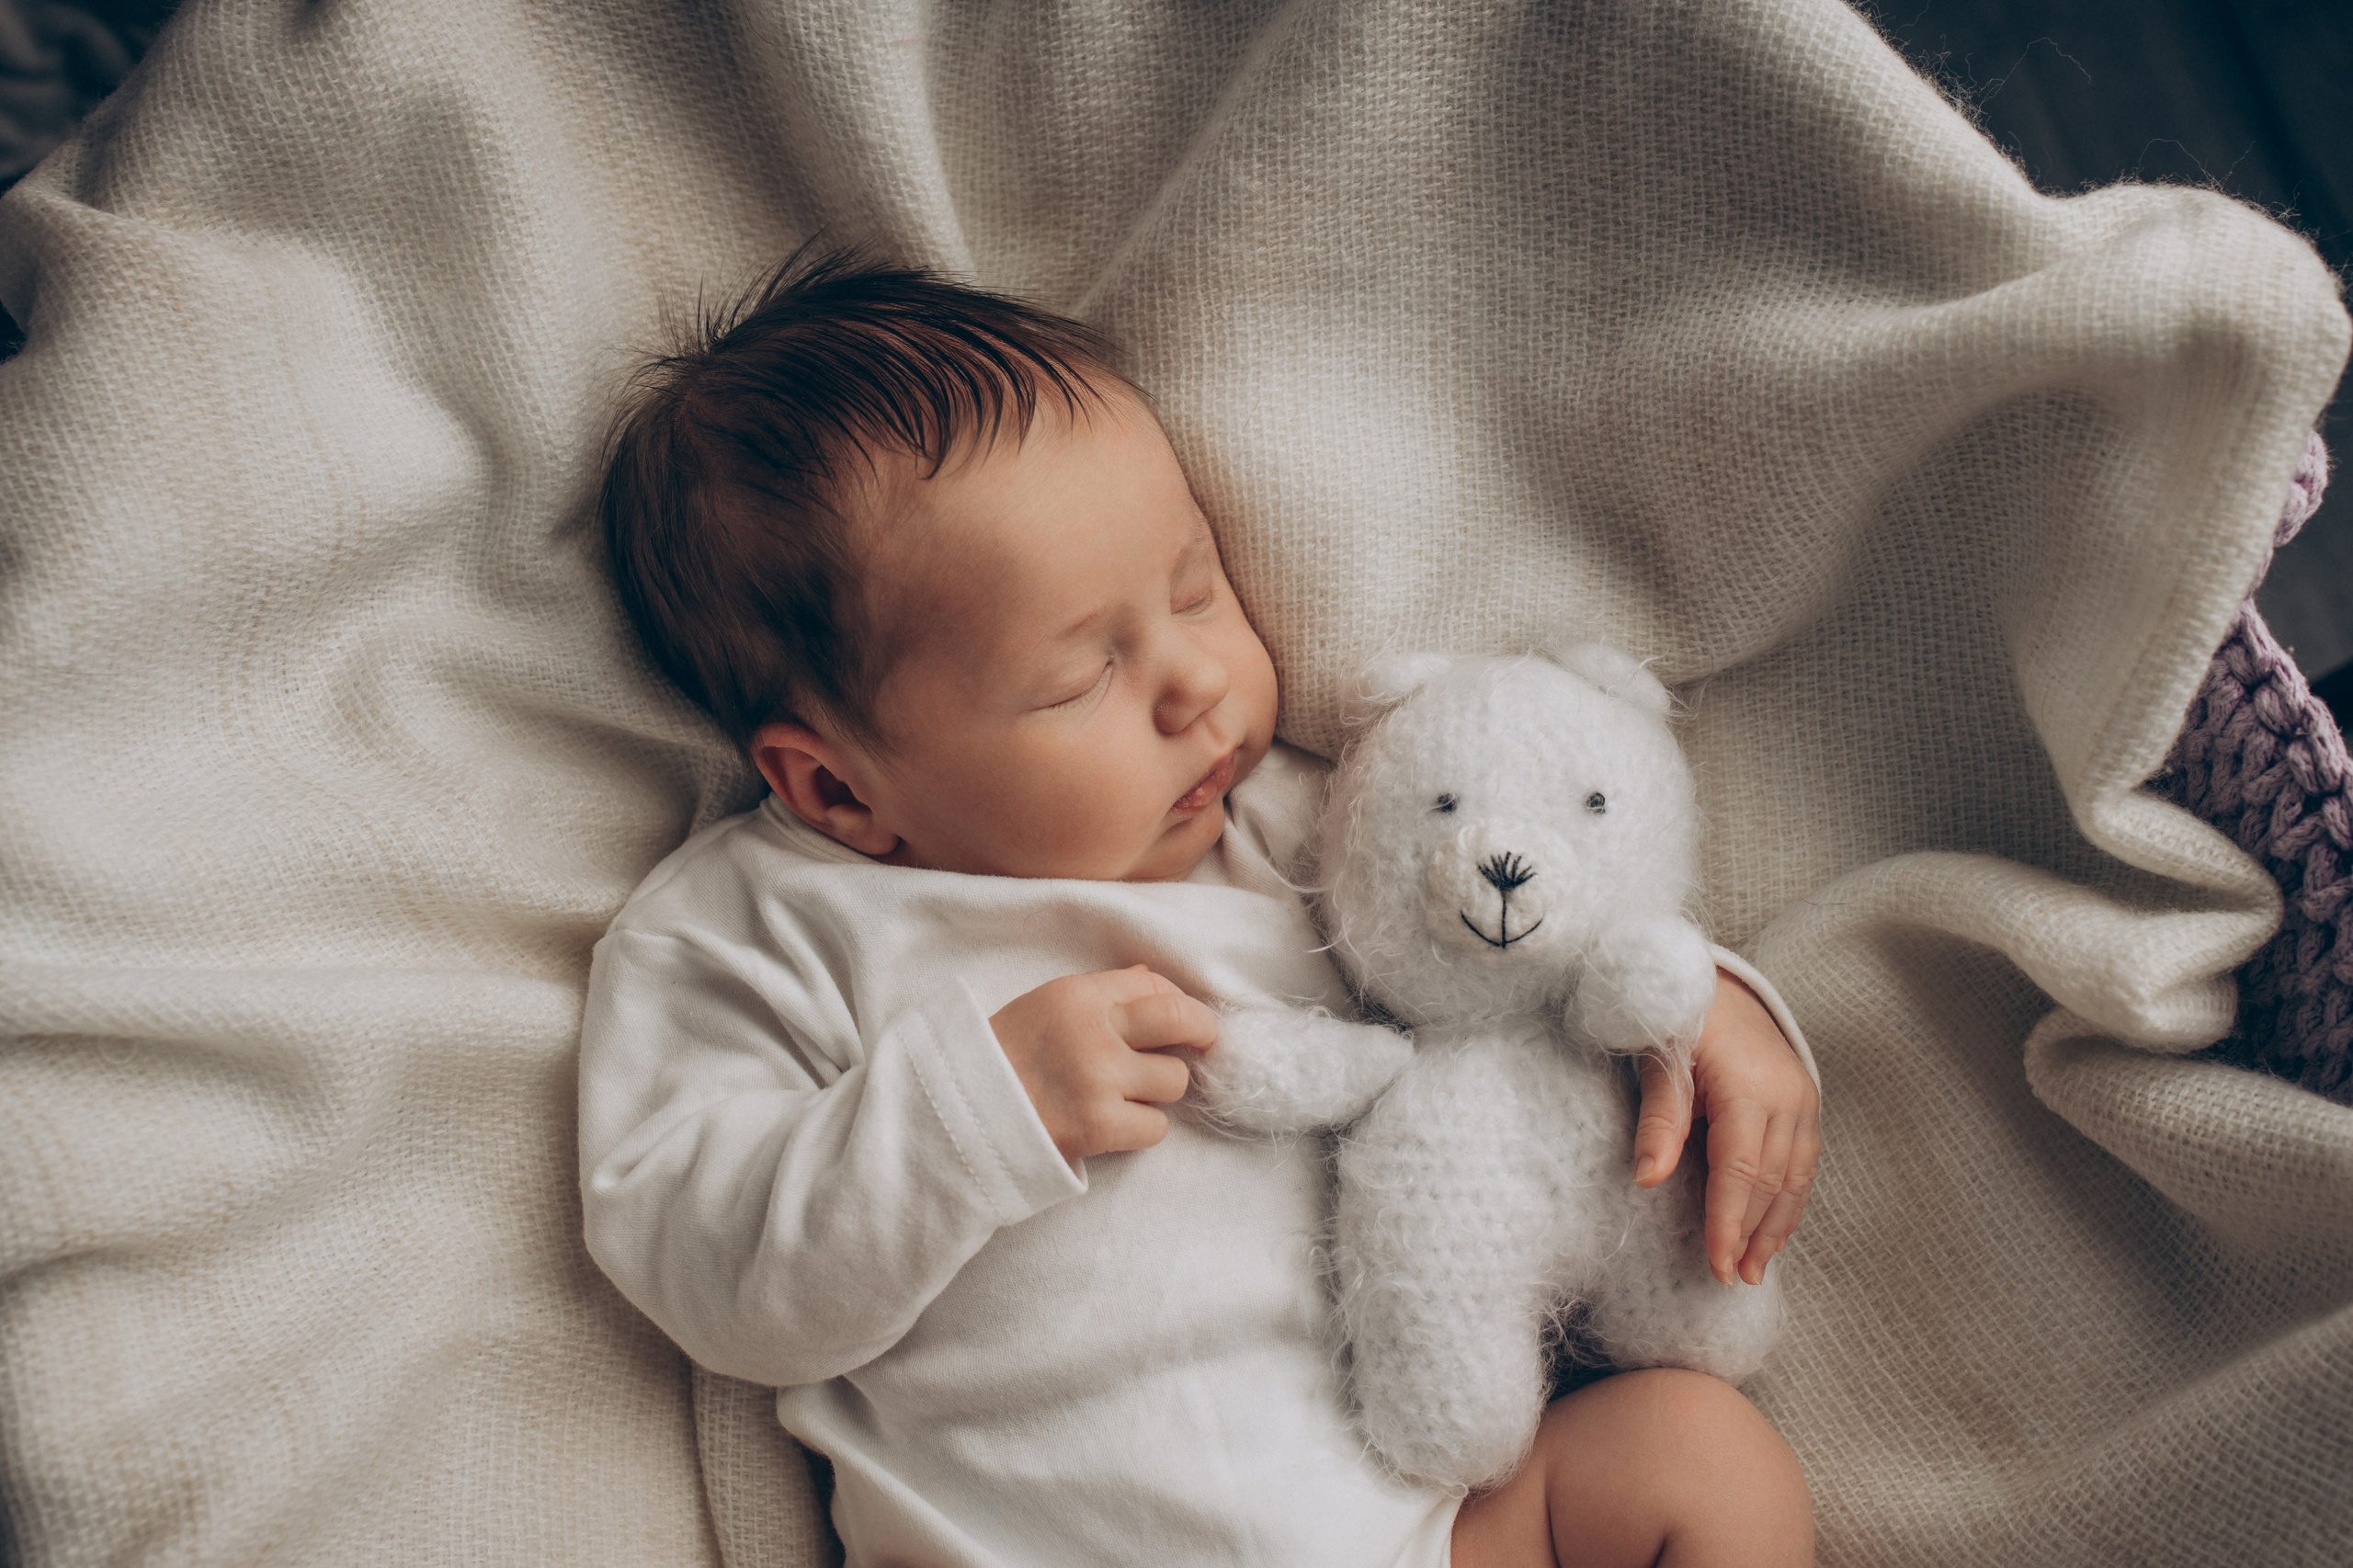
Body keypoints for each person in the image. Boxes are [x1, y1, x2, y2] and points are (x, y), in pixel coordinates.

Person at [579, 247, 1821, 1568]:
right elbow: (704, 1267)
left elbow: (1521, 938)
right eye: (1080, 676)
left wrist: (1711, 1007)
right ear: (836, 787)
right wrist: (969, 1113)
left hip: (1434, 1530)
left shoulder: (1291, 829)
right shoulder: (754, 924)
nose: (1196, 685)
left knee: (1699, 1457)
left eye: (1195, 589)